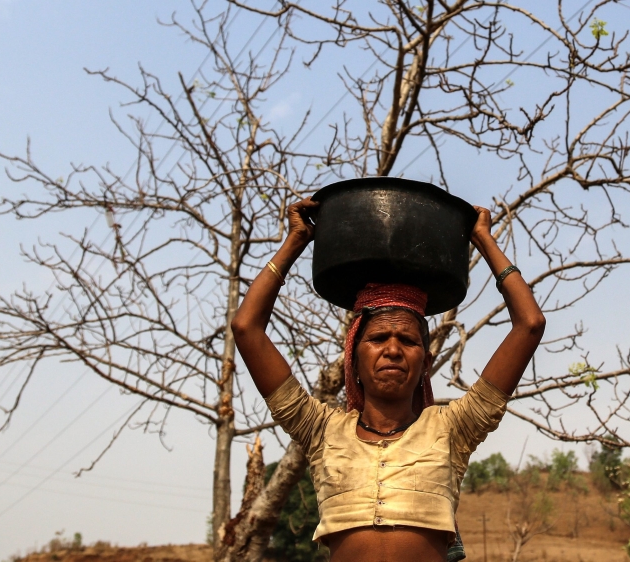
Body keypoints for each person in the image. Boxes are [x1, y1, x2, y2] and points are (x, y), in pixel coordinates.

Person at [231, 197, 546, 562]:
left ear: (425, 362)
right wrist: (296, 242)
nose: (393, 350)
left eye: (408, 340)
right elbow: (246, 328)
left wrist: (483, 240)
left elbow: (530, 324)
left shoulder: (453, 429)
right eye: (378, 338)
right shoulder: (321, 431)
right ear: (354, 356)